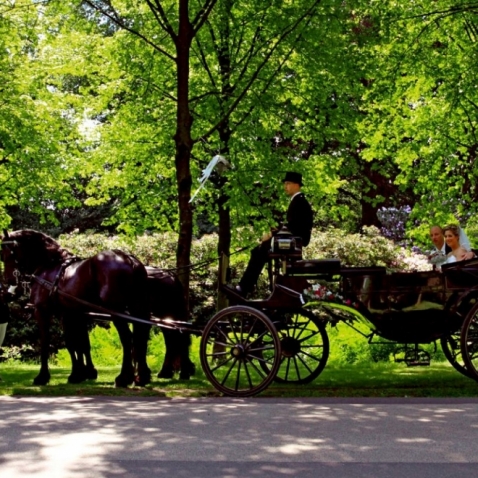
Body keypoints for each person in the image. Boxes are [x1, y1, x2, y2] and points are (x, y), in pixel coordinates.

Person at [236, 171, 313, 296]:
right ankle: (246, 286)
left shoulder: (299, 202)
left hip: (294, 243)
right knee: (258, 250)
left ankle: (244, 287)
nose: (285, 187)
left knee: (258, 251)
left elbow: (294, 227)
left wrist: (272, 234)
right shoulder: (298, 201)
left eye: (288, 183)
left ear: (297, 185)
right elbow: (291, 225)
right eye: (285, 184)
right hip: (292, 241)